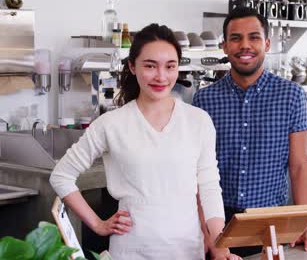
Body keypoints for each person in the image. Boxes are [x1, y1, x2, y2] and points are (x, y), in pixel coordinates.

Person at [50, 23, 233, 260]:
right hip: (131, 251)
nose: (161, 76)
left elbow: (208, 187)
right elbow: (61, 176)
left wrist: (220, 245)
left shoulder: (198, 120)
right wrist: (97, 224)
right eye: (150, 65)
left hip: (187, 250)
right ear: (132, 67)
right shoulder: (112, 124)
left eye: (170, 66)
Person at [193, 7, 307, 257]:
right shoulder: (204, 99)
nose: (245, 45)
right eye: (236, 38)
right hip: (217, 223)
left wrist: (303, 222)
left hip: (270, 223)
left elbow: (299, 164)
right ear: (224, 46)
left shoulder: (291, 96)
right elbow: (196, 173)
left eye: (254, 37)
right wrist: (206, 233)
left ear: (267, 43)